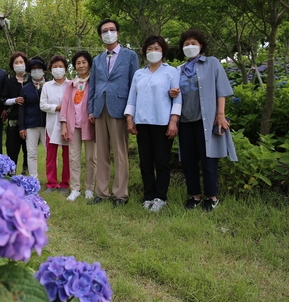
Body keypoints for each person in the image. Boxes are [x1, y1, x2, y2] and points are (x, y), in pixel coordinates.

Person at [172, 29, 237, 212]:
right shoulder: (179, 70)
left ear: (201, 45)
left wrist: (220, 114)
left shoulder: (212, 63)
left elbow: (221, 89)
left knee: (209, 159)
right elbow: (173, 93)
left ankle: (212, 197)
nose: (190, 46)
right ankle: (194, 196)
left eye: (194, 43)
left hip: (206, 121)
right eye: (186, 44)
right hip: (185, 121)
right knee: (188, 160)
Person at [125, 36, 181, 212]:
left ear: (163, 51)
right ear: (144, 52)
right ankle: (148, 196)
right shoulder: (139, 73)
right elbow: (132, 97)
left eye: (156, 48)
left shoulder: (171, 72)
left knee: (162, 162)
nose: (153, 52)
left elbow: (178, 98)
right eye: (149, 49)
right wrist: (129, 118)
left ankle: (160, 197)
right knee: (145, 162)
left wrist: (173, 121)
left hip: (162, 122)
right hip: (142, 122)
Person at [88, 19, 139, 207]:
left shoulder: (130, 56)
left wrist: (131, 113)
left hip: (120, 109)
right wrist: (91, 110)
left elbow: (134, 84)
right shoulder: (97, 59)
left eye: (111, 30)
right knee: (101, 152)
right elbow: (93, 86)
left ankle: (120, 194)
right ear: (100, 36)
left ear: (118, 33)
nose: (108, 33)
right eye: (104, 31)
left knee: (120, 153)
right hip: (100, 109)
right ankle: (101, 192)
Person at [60, 50, 97, 201]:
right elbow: (65, 104)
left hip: (90, 125)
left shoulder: (94, 82)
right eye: (78, 63)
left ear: (89, 64)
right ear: (74, 66)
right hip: (73, 125)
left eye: (84, 62)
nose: (81, 65)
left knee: (91, 158)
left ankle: (90, 188)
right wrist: (63, 124)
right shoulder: (70, 84)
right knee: (73, 158)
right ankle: (75, 189)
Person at [40, 55, 70, 194]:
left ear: (65, 68)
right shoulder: (47, 86)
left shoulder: (71, 85)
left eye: (60, 66)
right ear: (50, 70)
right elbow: (42, 105)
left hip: (68, 125)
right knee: (51, 156)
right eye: (55, 67)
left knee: (67, 155)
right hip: (51, 124)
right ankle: (51, 183)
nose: (58, 69)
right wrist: (57, 108)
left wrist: (65, 109)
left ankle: (65, 183)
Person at [19, 56, 47, 180]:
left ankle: (51, 178)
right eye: (34, 69)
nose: (36, 71)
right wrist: (22, 127)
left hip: (48, 124)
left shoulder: (49, 86)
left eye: (39, 68)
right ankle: (33, 178)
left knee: (50, 153)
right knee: (31, 153)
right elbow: (21, 109)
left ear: (44, 70)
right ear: (30, 71)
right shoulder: (25, 88)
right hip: (30, 124)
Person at [2, 52, 30, 174]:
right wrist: (14, 100)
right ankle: (10, 173)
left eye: (21, 62)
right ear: (12, 65)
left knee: (28, 149)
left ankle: (26, 172)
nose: (19, 65)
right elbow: (3, 100)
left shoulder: (32, 80)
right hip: (13, 121)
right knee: (12, 148)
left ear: (25, 64)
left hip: (29, 121)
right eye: (16, 63)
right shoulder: (9, 82)